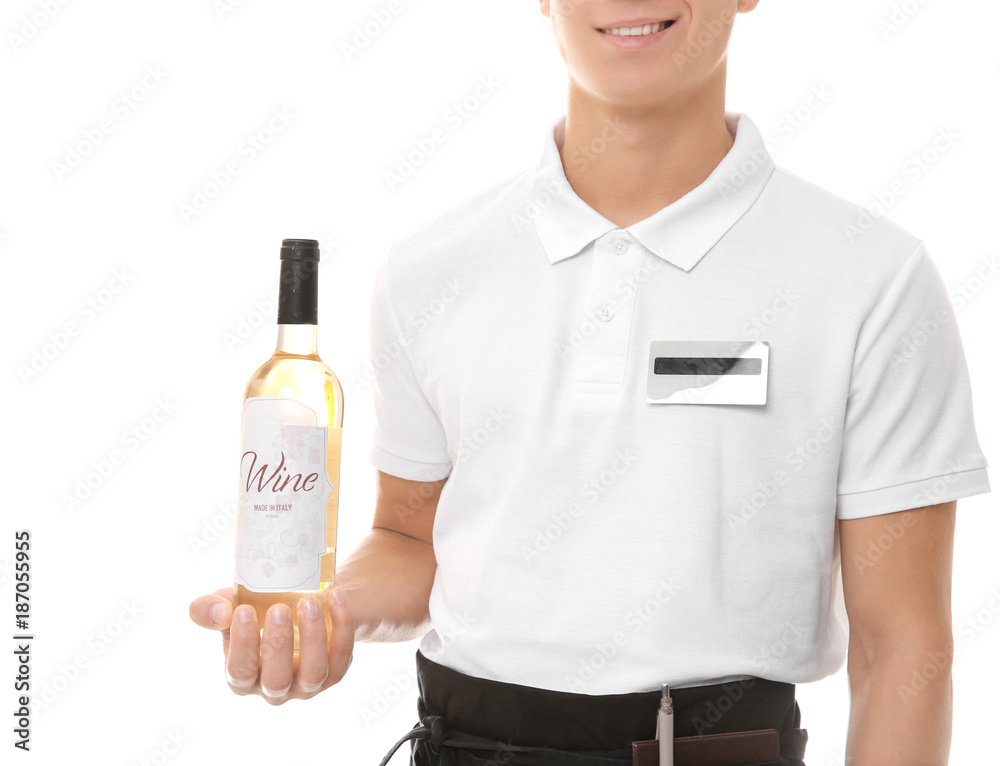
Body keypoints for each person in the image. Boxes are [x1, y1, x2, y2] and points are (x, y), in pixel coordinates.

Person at [190, 1, 992, 764]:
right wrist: (326, 613)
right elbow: (410, 540)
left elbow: (902, 648)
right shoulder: (429, 271)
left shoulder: (869, 276)